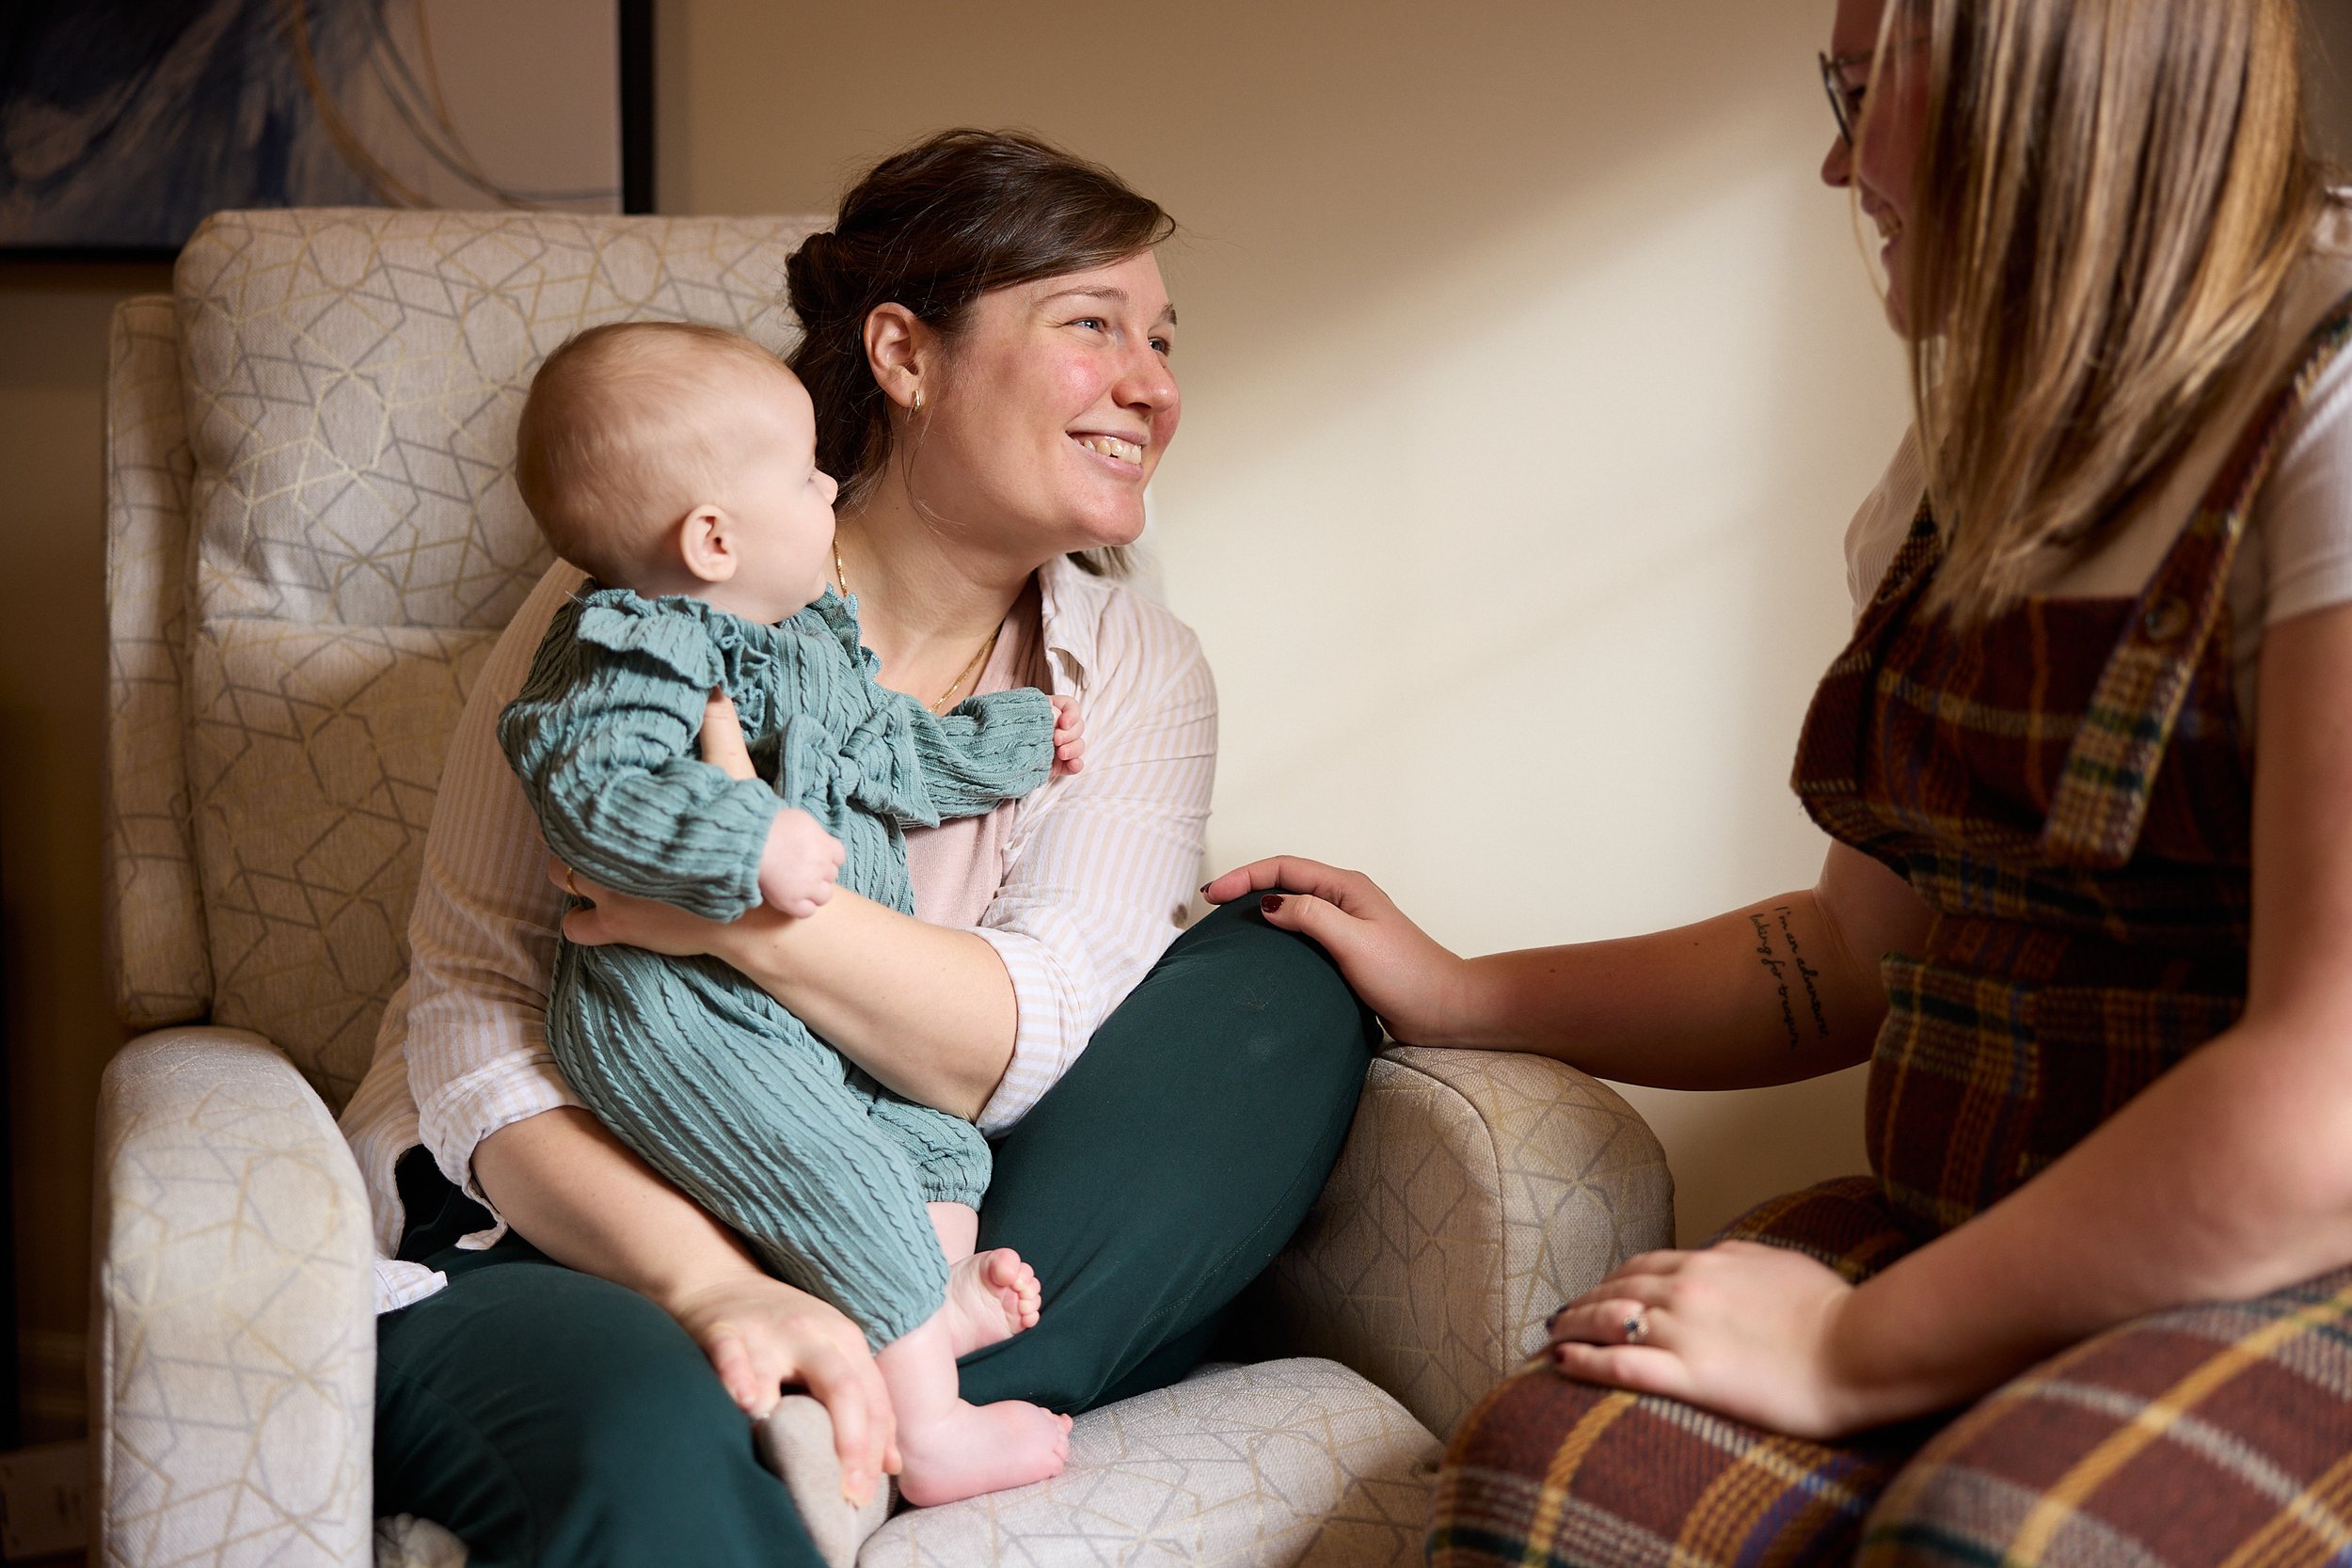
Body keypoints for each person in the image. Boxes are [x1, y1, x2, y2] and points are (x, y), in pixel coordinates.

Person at [1207, 1, 2352, 1563]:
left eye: (1865, 88)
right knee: (1551, 1482)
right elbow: (1850, 959)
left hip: (2291, 1275)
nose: (1835, 159)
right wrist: (1462, 988)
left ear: (2048, 86)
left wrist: (1850, 1348)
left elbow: (2323, 1111)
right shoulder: (1953, 482)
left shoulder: (2328, 416)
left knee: (2000, 1532)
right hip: (1960, 1228)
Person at [337, 130, 1375, 1567]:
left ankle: (878, 1375)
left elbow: (1016, 1044)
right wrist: (711, 1283)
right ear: (904, 353)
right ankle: (860, 1387)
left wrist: (743, 918)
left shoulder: (1132, 668)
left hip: (910, 1181)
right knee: (646, 1436)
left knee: (1287, 983)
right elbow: (474, 1006)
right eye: (1091, 325)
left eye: (1163, 340)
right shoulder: (656, 589)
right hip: (586, 1218)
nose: (1152, 384)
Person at [498, 319, 1092, 1504]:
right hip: (671, 1011)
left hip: (787, 1017)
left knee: (930, 1143)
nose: (834, 488)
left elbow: (893, 752)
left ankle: (913, 1317)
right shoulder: (631, 639)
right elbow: (587, 782)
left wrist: (1019, 738)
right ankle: (928, 1430)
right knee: (841, 1176)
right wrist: (744, 837)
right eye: (808, 474)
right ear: (713, 537)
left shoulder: (806, 642)